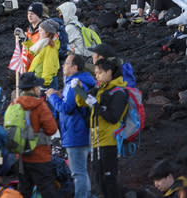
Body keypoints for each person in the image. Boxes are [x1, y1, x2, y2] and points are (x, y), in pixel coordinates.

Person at [78, 58, 128, 198]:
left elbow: (113, 117)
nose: (97, 76)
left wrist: (97, 106)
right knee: (98, 180)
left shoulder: (118, 92)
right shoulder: (99, 90)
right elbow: (81, 102)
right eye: (96, 73)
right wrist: (79, 89)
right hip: (96, 142)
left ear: (110, 72)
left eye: (99, 73)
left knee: (109, 181)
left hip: (109, 142)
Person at [47, 54, 95, 198]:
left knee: (78, 171)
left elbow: (67, 108)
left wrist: (52, 97)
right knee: (81, 170)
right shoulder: (75, 83)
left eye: (67, 63)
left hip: (76, 132)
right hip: (77, 131)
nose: (63, 66)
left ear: (75, 67)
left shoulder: (74, 83)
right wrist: (60, 96)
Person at [13, 72, 59, 198]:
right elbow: (52, 129)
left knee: (24, 191)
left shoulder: (14, 105)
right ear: (34, 88)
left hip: (21, 157)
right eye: (38, 86)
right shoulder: (40, 106)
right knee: (47, 190)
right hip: (40, 156)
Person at [27, 20, 61, 88]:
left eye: (41, 31)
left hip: (45, 84)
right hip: (40, 81)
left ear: (47, 33)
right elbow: (33, 51)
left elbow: (49, 67)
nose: (39, 33)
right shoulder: (43, 45)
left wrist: (44, 85)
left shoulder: (49, 48)